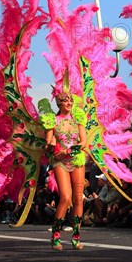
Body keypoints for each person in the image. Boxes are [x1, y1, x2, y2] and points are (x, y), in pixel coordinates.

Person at [42, 92, 88, 251]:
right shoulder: (52, 121)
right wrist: (49, 146)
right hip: (59, 162)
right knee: (66, 197)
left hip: (76, 160)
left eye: (70, 100)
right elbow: (48, 145)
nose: (69, 102)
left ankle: (76, 237)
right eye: (65, 100)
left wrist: (68, 152)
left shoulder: (78, 118)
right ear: (58, 103)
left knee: (78, 198)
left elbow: (83, 142)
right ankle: (56, 235)